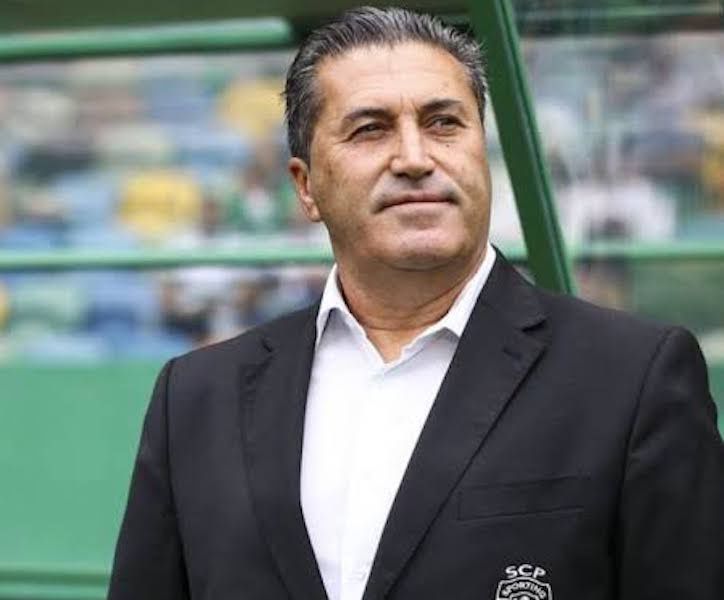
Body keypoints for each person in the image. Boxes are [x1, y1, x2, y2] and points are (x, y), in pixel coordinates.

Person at [108, 7, 724, 600]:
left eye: (444, 123)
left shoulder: (631, 378)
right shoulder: (196, 399)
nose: (413, 158)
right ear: (306, 185)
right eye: (370, 129)